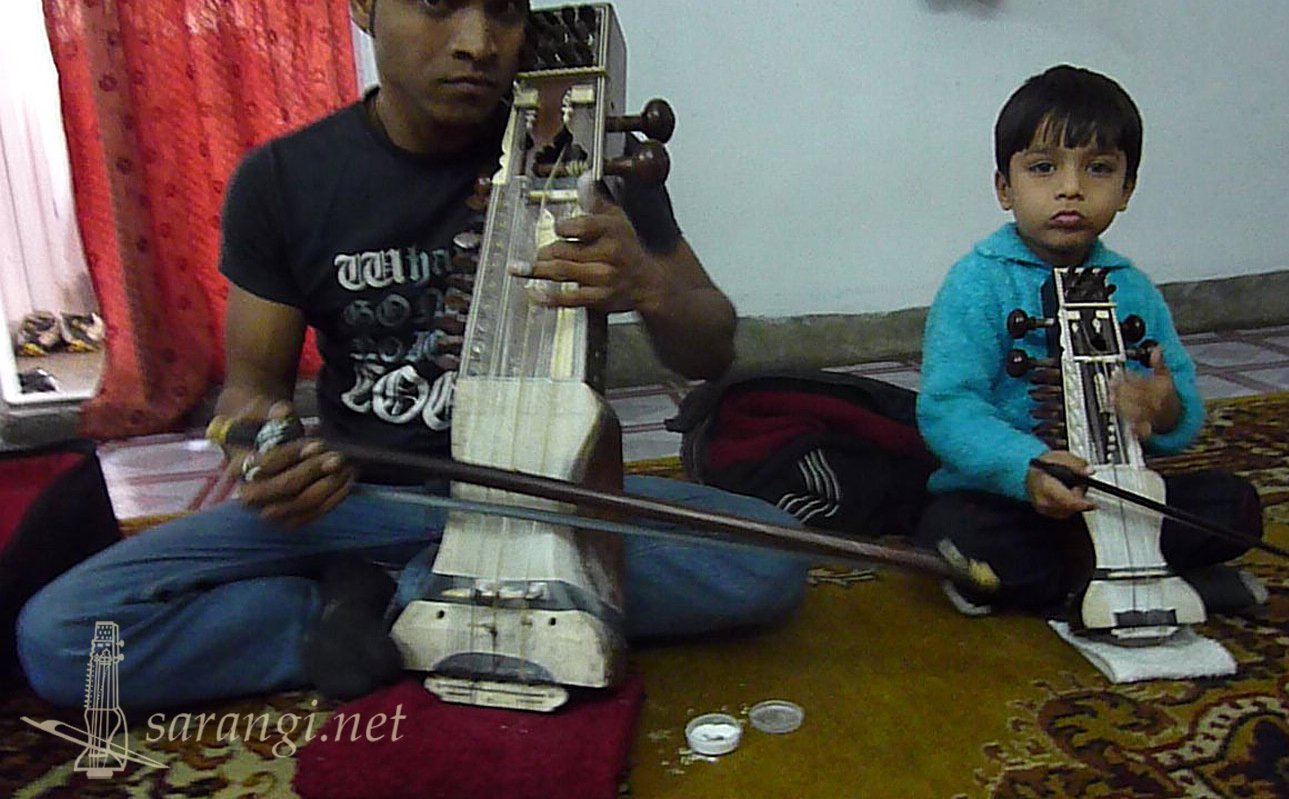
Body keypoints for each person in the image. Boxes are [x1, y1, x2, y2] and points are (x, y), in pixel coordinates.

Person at [17, 0, 807, 711]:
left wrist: (648, 285)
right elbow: (247, 394)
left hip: (544, 498)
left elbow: (711, 347)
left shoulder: (582, 147)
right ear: (363, 8)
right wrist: (262, 450)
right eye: (438, 5)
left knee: (767, 563)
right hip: (358, 502)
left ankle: (383, 609)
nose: (478, 42)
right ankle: (379, 607)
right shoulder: (283, 181)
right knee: (64, 635)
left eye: (504, 11)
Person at [913, 64, 1266, 619]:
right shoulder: (976, 283)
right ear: (1005, 188)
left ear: (1126, 189)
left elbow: (1180, 403)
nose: (1071, 188)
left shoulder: (1133, 288)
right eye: (1043, 168)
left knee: (1235, 507)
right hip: (1008, 497)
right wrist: (1026, 466)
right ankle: (1157, 582)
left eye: (1099, 169)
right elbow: (948, 407)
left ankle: (1069, 587)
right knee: (958, 534)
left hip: (1117, 498)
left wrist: (1163, 409)